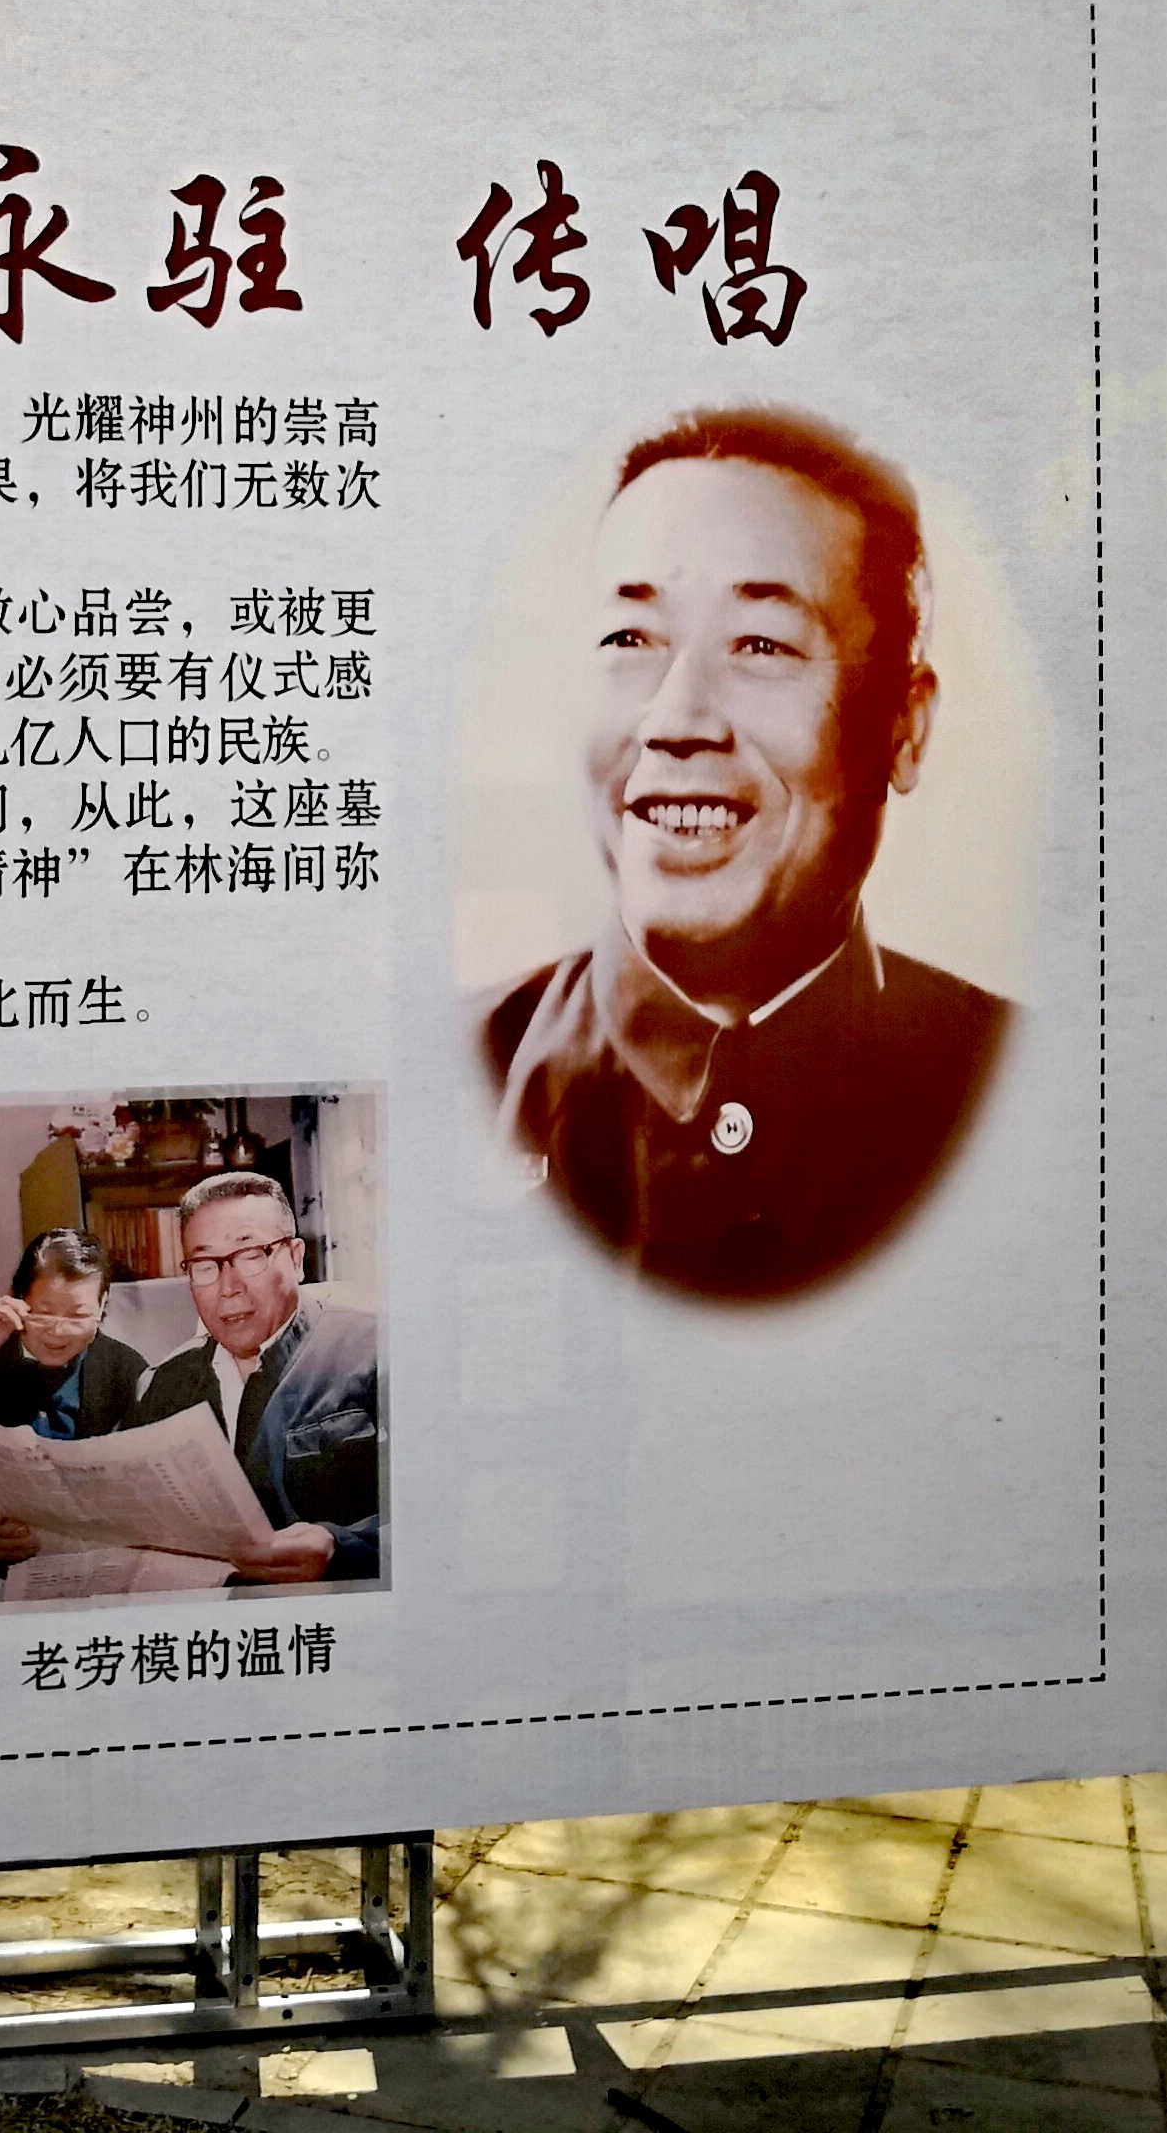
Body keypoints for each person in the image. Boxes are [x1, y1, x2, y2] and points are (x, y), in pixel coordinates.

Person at [485, 408, 1009, 1304]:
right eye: (629, 640)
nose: (677, 720)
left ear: (904, 727)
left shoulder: (1019, 1084)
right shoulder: (461, 1068)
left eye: (762, 644)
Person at [120, 1172, 380, 1582]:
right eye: (204, 1265)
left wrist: (344, 1548)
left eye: (251, 1255)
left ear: (296, 1258)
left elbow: (443, 1512)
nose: (229, 1287)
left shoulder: (377, 1351)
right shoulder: (164, 1384)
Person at [0, 1228, 161, 1584]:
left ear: (102, 1306)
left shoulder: (126, 1370)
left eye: (78, 1316)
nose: (59, 1331)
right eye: (44, 1313)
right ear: (18, 1299)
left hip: (90, 1562)